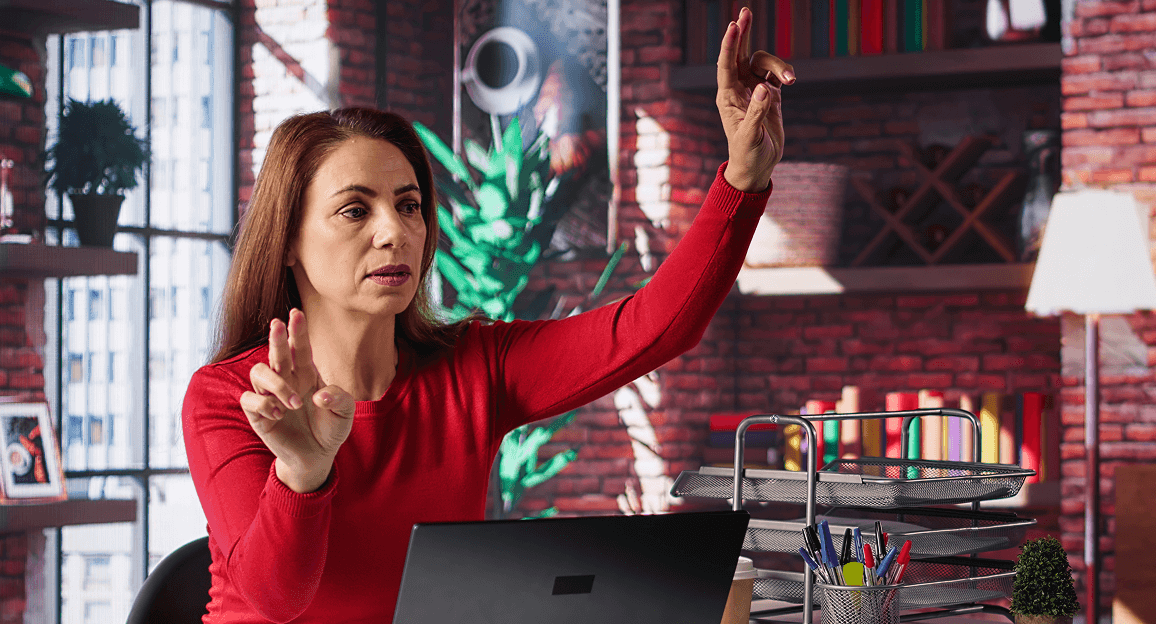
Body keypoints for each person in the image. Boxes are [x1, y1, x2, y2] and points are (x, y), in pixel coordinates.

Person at [181, 8, 792, 623]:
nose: (395, 231)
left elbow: (651, 327)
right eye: (353, 211)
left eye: (410, 205)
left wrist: (742, 179)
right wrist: (303, 471)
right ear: (287, 238)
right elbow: (276, 600)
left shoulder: (472, 368)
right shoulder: (229, 398)